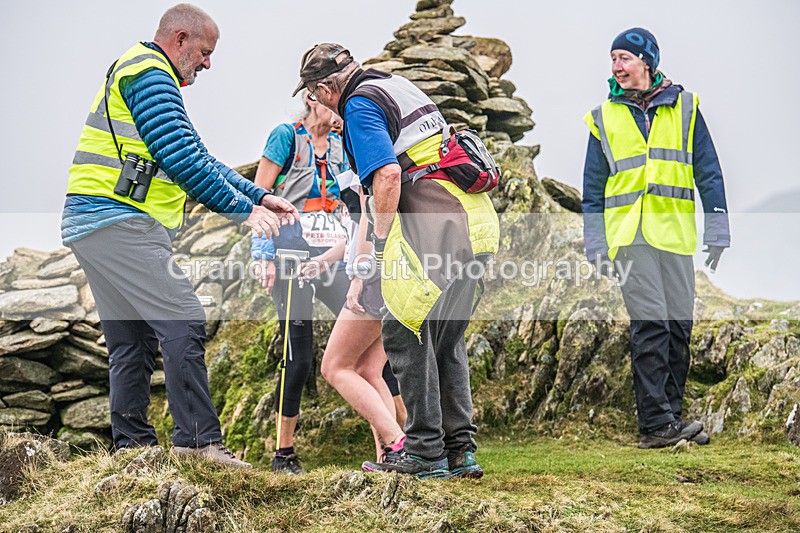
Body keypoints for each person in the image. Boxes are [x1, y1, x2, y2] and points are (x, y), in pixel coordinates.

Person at [61, 3, 298, 468]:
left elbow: (198, 155)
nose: (208, 63)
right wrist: (242, 212)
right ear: (181, 39)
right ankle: (198, 444)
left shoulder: (149, 76)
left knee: (132, 340)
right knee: (183, 316)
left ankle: (133, 450)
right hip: (117, 220)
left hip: (94, 223)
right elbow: (180, 158)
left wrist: (259, 194)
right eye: (205, 52)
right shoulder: (149, 73)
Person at [292, 43, 499, 478]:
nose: (317, 102)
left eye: (313, 93)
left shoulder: (360, 105)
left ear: (327, 88)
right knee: (445, 341)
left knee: (405, 334)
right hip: (474, 223)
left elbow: (386, 175)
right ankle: (460, 452)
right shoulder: (396, 85)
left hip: (432, 228)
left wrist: (382, 244)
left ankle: (424, 451)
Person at [582, 28, 730, 449]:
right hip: (629, 237)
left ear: (646, 61)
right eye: (612, 59)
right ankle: (655, 425)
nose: (616, 67)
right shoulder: (603, 117)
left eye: (623, 58)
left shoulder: (686, 107)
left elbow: (709, 171)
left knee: (679, 328)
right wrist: (596, 244)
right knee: (651, 326)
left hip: (676, 234)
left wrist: (717, 230)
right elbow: (592, 191)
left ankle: (671, 418)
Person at [251, 90, 352, 474]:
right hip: (290, 254)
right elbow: (258, 196)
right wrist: (262, 255)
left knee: (369, 331)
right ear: (313, 100)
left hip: (333, 254)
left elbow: (353, 196)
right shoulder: (286, 136)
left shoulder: (344, 142)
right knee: (299, 354)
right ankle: (284, 454)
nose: (338, 108)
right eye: (332, 100)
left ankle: (396, 440)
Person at [320, 169, 406, 464]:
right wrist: (325, 260)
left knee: (334, 367)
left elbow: (371, 216)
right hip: (397, 270)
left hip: (374, 273)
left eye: (336, 118)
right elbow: (356, 227)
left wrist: (358, 275)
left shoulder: (363, 142)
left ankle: (396, 443)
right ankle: (388, 458)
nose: (334, 119)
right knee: (369, 369)